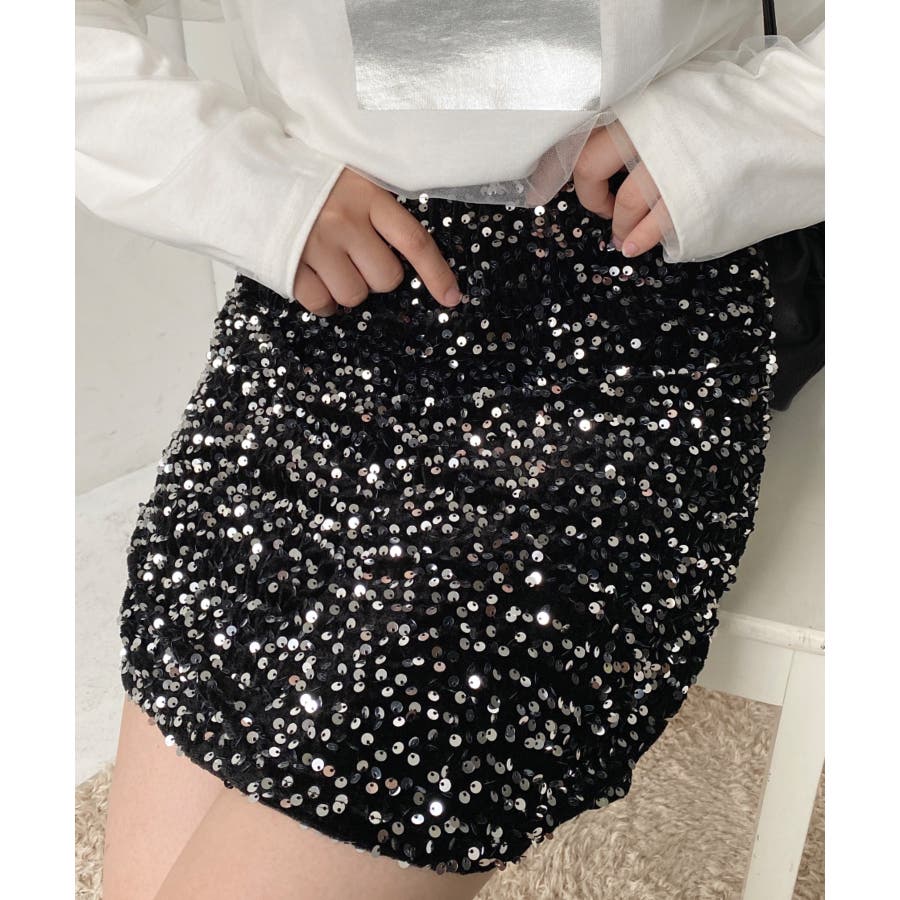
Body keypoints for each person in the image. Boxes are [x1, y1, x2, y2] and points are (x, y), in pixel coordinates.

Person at [75, 2, 824, 899]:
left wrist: (747, 128)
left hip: (628, 296)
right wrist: (253, 187)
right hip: (335, 282)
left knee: (391, 736)